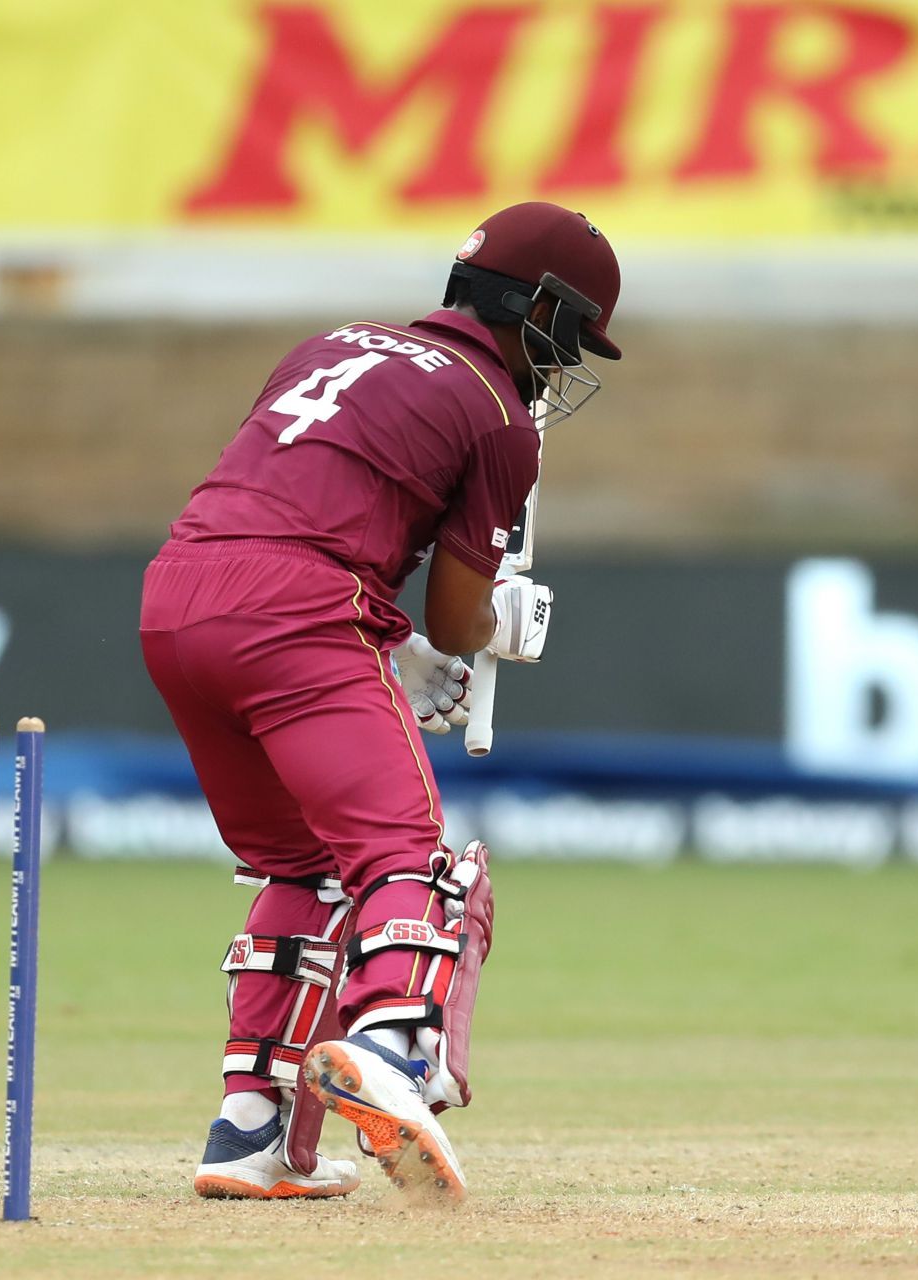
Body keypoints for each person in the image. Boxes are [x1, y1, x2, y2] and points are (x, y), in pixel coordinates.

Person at [140, 201, 620, 1204]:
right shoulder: (495, 410)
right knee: (413, 860)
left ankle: (251, 1130)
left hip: (178, 598)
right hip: (300, 613)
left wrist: (387, 649)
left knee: (301, 860)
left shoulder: (327, 345)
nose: (564, 365)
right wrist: (503, 622)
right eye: (571, 337)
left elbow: (290, 501)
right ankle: (392, 1048)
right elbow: (454, 614)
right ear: (537, 308)